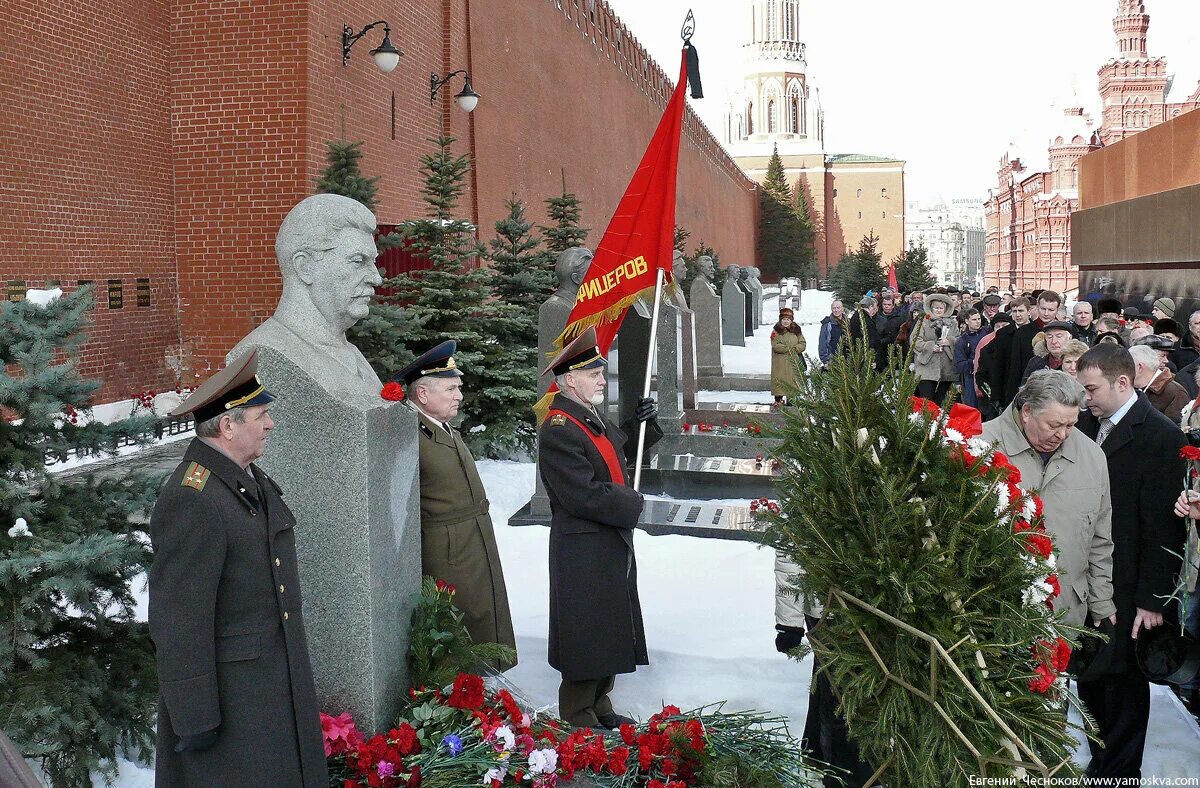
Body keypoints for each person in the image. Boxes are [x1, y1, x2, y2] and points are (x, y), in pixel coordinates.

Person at [149, 350, 327, 786]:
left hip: (265, 687)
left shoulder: (244, 476)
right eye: (261, 415)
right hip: (233, 700)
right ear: (228, 426)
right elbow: (178, 620)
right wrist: (195, 717)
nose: (271, 424)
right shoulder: (194, 496)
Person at [537, 327, 661, 729]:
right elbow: (582, 494)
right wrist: (632, 503)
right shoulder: (558, 427)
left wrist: (641, 425)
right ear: (570, 379)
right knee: (586, 630)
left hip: (605, 540)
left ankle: (600, 704)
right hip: (583, 548)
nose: (602, 381)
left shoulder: (585, 415)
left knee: (608, 623)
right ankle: (577, 713)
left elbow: (611, 454)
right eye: (595, 375)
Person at [1074, 344, 1188, 780]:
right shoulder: (1086, 424)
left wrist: (1152, 601)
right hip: (1091, 580)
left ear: (1123, 382)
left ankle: (1119, 776)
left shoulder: (1160, 436)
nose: (1087, 399)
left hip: (1131, 586)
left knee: (1122, 689)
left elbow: (1164, 529)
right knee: (1090, 677)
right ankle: (1101, 765)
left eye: (1092, 389)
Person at [396, 341, 516, 662]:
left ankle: (484, 688)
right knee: (460, 629)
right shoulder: (408, 435)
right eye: (450, 388)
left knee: (483, 615)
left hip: (471, 540)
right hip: (446, 551)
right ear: (422, 394)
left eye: (458, 387)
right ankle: (464, 696)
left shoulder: (442, 426)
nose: (459, 395)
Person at [981, 371, 1115, 635]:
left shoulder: (1091, 456)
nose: (1063, 435)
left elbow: (1099, 538)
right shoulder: (982, 447)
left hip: (1065, 615)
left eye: (1071, 425)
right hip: (992, 618)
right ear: (1027, 411)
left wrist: (1101, 602)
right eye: (1054, 425)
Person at [230, 194, 385, 403]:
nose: (376, 278)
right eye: (358, 261)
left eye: (373, 262)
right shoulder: (260, 355)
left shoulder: (352, 354)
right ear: (305, 267)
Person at [1004, 290, 1060, 405]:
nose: (1046, 313)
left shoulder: (1067, 331)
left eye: (1051, 310)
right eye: (1043, 309)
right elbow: (1015, 367)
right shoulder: (1022, 332)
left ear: (1057, 310)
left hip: (1059, 392)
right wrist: (1011, 401)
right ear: (1037, 307)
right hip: (1029, 391)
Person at [981, 297, 1031, 409]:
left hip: (1029, 385)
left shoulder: (1036, 332)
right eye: (1014, 311)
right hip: (1008, 386)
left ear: (1029, 311)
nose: (1018, 315)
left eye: (1021, 311)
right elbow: (995, 363)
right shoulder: (1003, 333)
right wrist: (996, 394)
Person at [912, 293, 960, 404]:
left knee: (943, 402)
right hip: (926, 368)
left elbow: (959, 339)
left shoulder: (952, 323)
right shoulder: (923, 321)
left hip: (947, 368)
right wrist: (930, 346)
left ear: (946, 309)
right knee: (926, 401)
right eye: (936, 308)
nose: (938, 310)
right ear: (931, 308)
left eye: (941, 308)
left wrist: (949, 341)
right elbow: (914, 340)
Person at [1129, 343, 1190, 425]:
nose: (1122, 370)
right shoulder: (1129, 390)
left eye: (1126, 365)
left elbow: (1174, 432)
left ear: (1140, 367)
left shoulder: (1175, 392)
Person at [954, 308, 989, 408]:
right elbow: (959, 364)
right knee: (972, 407)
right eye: (974, 320)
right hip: (970, 377)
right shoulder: (962, 341)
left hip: (987, 374)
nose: (977, 322)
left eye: (978, 319)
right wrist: (974, 362)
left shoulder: (987, 332)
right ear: (966, 321)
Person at [771, 307, 806, 405]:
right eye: (784, 319)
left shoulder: (796, 330)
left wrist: (796, 349)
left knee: (792, 386)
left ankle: (792, 404)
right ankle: (778, 402)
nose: (786, 321)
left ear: (791, 320)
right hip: (780, 364)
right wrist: (789, 348)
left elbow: (802, 343)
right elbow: (775, 346)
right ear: (780, 320)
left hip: (793, 363)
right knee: (780, 385)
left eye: (788, 319)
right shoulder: (776, 331)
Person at [845, 296, 883, 370]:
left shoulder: (855, 317)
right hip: (865, 357)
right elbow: (871, 340)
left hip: (856, 355)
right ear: (870, 307)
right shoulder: (865, 320)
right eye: (874, 308)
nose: (874, 312)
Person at [817, 300, 845, 366]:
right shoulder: (827, 324)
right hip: (833, 360)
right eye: (834, 308)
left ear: (842, 309)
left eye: (838, 308)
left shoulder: (847, 322)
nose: (836, 310)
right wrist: (825, 360)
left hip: (847, 360)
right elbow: (822, 343)